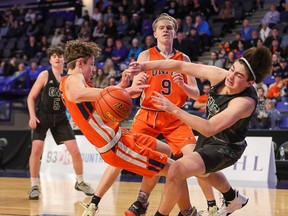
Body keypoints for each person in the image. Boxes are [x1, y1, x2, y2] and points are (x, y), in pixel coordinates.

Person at [128, 45, 272, 216]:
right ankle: (232, 197)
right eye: (232, 69)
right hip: (210, 138)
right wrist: (144, 66)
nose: (231, 76)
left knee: (176, 169)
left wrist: (173, 109)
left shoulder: (244, 102)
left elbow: (209, 127)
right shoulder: (221, 76)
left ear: (250, 83)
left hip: (226, 147)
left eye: (239, 75)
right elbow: (181, 66)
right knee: (203, 172)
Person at [59, 39, 194, 216]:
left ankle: (142, 201)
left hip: (121, 135)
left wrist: (123, 89)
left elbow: (100, 101)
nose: (93, 69)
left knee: (165, 149)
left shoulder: (72, 82)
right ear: (79, 63)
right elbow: (78, 94)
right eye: (91, 64)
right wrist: (120, 91)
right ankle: (187, 212)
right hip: (116, 146)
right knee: (177, 170)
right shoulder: (73, 79)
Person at [125, 13, 218, 216]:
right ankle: (141, 201)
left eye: (169, 27)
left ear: (175, 32)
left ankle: (211, 205)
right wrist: (135, 82)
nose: (166, 30)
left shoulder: (183, 59)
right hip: (148, 114)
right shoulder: (146, 56)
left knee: (196, 157)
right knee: (146, 156)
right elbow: (135, 87)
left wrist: (182, 84)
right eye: (162, 27)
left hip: (175, 116)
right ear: (155, 32)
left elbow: (195, 94)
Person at [27, 46, 94, 200]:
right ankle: (34, 186)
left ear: (64, 59)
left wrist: (76, 118)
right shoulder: (45, 75)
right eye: (54, 56)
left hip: (61, 117)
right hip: (43, 117)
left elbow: (74, 100)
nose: (57, 58)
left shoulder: (68, 77)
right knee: (36, 150)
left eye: (60, 56)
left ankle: (80, 182)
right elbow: (31, 97)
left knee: (75, 151)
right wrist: (32, 116)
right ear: (50, 60)